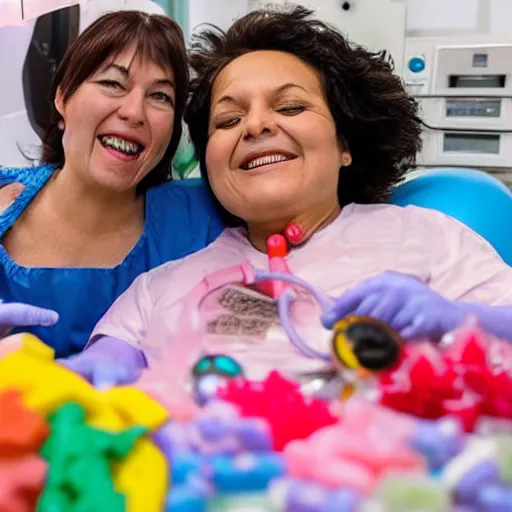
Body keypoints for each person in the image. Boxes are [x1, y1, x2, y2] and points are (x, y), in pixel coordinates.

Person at [63, 5, 512, 384]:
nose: (256, 126)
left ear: (345, 144)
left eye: (291, 107)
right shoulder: (158, 289)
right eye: (228, 121)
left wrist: (458, 321)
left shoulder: (427, 239)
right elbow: (88, 384)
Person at [0, 11, 224, 358]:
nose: (134, 112)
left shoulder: (205, 219)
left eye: (160, 97)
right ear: (62, 98)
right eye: (112, 84)